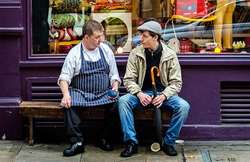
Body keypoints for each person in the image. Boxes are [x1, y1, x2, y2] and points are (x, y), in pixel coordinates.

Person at [117, 19, 190, 157]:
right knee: (123, 102)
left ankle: (168, 142)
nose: (141, 39)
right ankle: (131, 143)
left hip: (163, 94)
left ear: (155, 37)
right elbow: (128, 79)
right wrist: (139, 93)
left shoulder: (170, 54)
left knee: (184, 106)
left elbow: (176, 83)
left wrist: (163, 96)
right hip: (142, 93)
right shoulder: (136, 53)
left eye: (144, 36)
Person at [58, 20, 121, 157]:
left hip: (103, 93)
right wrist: (66, 95)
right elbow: (64, 78)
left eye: (102, 36)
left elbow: (114, 75)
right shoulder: (74, 53)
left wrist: (115, 88)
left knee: (117, 104)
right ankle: (77, 142)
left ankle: (104, 138)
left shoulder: (106, 50)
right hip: (81, 93)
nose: (101, 40)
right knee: (68, 105)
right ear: (86, 37)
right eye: (97, 37)